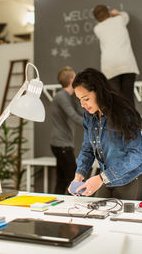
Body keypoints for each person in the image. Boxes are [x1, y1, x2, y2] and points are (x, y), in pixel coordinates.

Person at [68, 68, 142, 200]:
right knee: (97, 215)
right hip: (106, 178)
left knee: (124, 219)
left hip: (131, 178)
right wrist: (79, 175)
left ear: (98, 92)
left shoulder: (124, 112)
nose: (82, 104)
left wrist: (101, 178)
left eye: (86, 98)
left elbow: (136, 155)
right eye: (79, 100)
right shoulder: (89, 115)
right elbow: (88, 149)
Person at [93, 4, 139, 106]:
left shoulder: (97, 29)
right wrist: (116, 13)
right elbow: (126, 16)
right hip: (127, 64)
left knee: (117, 102)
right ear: (108, 12)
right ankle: (134, 122)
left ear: (96, 18)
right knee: (129, 99)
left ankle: (121, 122)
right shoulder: (119, 20)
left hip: (110, 68)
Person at [50, 66, 83, 194]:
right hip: (62, 144)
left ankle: (56, 204)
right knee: (74, 179)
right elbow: (73, 115)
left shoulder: (68, 96)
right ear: (71, 80)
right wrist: (91, 125)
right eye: (75, 77)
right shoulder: (61, 96)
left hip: (62, 144)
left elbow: (79, 111)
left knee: (62, 180)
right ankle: (75, 205)